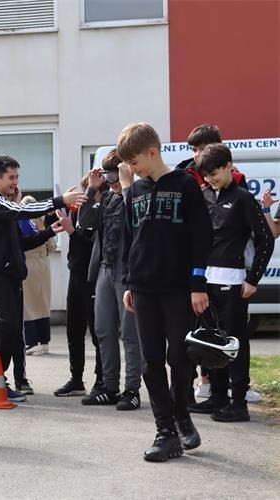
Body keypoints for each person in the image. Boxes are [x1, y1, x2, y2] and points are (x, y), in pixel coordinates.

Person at [117, 122, 211, 462]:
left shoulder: (186, 185)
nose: (131, 169)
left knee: (180, 358)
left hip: (178, 288)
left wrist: (197, 284)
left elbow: (202, 236)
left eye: (134, 161)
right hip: (143, 288)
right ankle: (165, 431)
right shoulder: (136, 191)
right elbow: (129, 238)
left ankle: (181, 414)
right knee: (150, 362)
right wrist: (129, 281)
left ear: (152, 152)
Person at [0, 155, 85, 401]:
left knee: (12, 328)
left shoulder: (5, 207)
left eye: (17, 177)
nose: (15, 182)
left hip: (11, 273)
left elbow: (21, 243)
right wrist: (60, 200)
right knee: (6, 325)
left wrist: (49, 232)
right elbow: (23, 209)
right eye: (11, 178)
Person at [188, 144, 274, 422]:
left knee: (235, 342)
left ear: (228, 167)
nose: (209, 179)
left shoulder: (243, 198)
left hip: (234, 282)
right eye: (205, 175)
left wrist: (253, 279)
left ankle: (239, 403)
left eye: (214, 174)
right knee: (213, 341)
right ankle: (218, 397)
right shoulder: (203, 196)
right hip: (206, 282)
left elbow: (266, 239)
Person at [80, 150, 143, 411]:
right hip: (105, 269)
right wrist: (91, 190)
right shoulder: (107, 197)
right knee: (103, 330)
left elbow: (137, 220)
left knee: (129, 333)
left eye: (115, 175)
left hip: (127, 272)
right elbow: (85, 220)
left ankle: (132, 389)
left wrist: (126, 186)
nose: (112, 181)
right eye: (108, 176)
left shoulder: (137, 193)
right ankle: (109, 386)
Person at [54, 176, 104, 396]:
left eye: (92, 190)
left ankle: (102, 379)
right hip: (75, 274)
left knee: (97, 331)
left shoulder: (102, 211)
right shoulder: (78, 212)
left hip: (93, 277)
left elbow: (95, 248)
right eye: (85, 189)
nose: (87, 195)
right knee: (73, 329)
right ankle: (76, 379)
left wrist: (72, 231)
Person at [21, 197, 57, 357]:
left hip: (28, 263)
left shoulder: (23, 223)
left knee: (28, 304)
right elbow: (52, 246)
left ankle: (31, 342)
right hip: (44, 264)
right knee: (43, 302)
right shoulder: (41, 223)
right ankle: (44, 342)